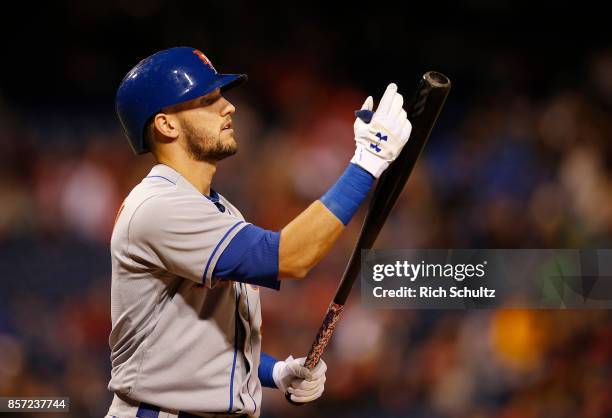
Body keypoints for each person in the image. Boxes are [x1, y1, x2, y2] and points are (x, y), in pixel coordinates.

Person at [106, 46, 411, 418]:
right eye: (207, 99)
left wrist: (274, 371)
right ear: (166, 124)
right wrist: (367, 162)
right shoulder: (159, 207)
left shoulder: (215, 208)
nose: (228, 107)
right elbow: (290, 257)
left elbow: (199, 339)